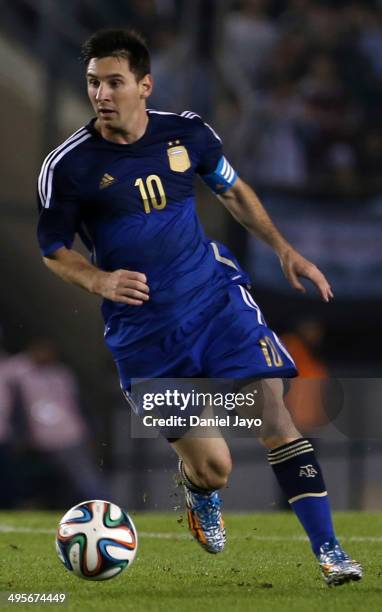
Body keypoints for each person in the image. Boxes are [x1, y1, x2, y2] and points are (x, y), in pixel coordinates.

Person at [37, 29, 361, 586]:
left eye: (114, 82)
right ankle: (199, 489)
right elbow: (53, 251)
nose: (101, 94)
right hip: (144, 333)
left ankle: (332, 555)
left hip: (214, 301)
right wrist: (99, 280)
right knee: (217, 467)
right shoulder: (68, 167)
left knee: (272, 414)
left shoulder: (186, 133)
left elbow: (232, 190)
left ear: (144, 84)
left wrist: (284, 250)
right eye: (93, 83)